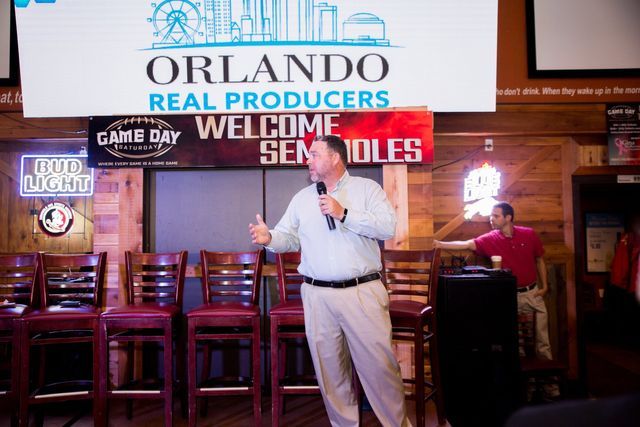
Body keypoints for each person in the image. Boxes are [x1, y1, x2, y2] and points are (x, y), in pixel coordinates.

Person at [249, 135, 411, 427]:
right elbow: (289, 237)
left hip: (361, 292)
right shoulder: (302, 198)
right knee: (330, 374)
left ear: (335, 157)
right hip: (317, 295)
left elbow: (387, 227)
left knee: (380, 370)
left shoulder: (367, 189)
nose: (307, 160)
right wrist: (269, 237)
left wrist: (343, 213)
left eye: (314, 154)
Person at [434, 202, 559, 397]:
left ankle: (552, 390)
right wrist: (440, 244)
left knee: (543, 344)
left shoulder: (528, 234)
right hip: (509, 297)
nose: (491, 219)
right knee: (517, 347)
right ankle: (526, 391)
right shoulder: (491, 238)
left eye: (496, 215)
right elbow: (467, 244)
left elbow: (539, 259)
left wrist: (544, 288)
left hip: (532, 294)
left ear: (508, 217)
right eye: (491, 215)